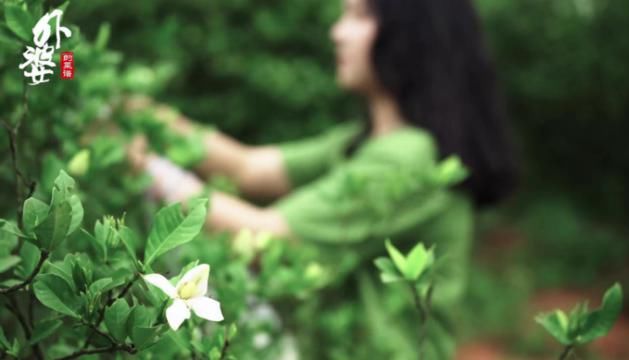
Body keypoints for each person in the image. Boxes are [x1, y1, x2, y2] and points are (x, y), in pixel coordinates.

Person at [125, 0, 520, 357]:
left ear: (412, 33)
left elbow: (266, 240)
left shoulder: (410, 157)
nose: (337, 32)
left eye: (359, 16)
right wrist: (133, 110)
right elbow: (247, 167)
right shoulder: (362, 145)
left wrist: (149, 171)